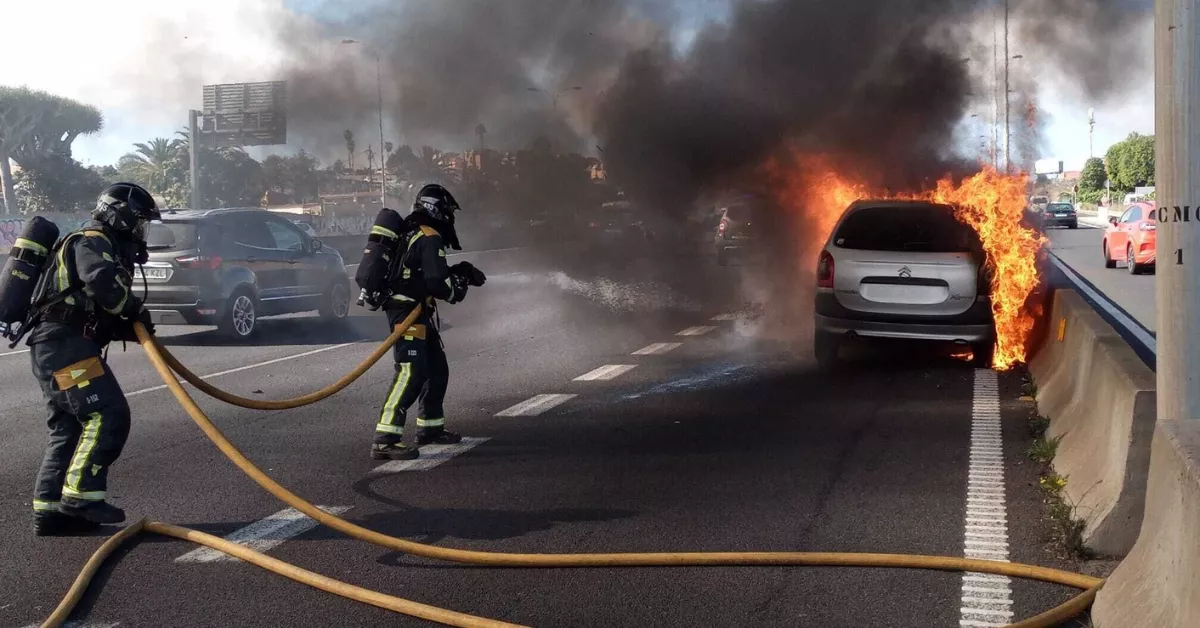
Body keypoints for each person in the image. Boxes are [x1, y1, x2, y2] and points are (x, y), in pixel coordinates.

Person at [28, 182, 158, 535]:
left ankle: (51, 512)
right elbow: (100, 283)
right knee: (107, 413)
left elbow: (83, 305)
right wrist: (133, 309)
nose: (139, 232)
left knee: (68, 427)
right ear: (121, 215)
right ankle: (81, 497)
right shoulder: (92, 239)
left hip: (61, 345)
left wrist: (123, 327)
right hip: (64, 348)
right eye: (138, 222)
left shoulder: (101, 243)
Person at [372, 184, 484, 460]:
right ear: (436, 209)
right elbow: (438, 283)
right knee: (410, 372)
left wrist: (459, 271)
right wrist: (459, 286)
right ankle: (385, 439)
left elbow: (423, 272)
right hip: (406, 311)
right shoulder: (429, 236)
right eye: (447, 211)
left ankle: (430, 428)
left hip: (415, 309)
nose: (449, 217)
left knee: (435, 367)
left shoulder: (415, 233)